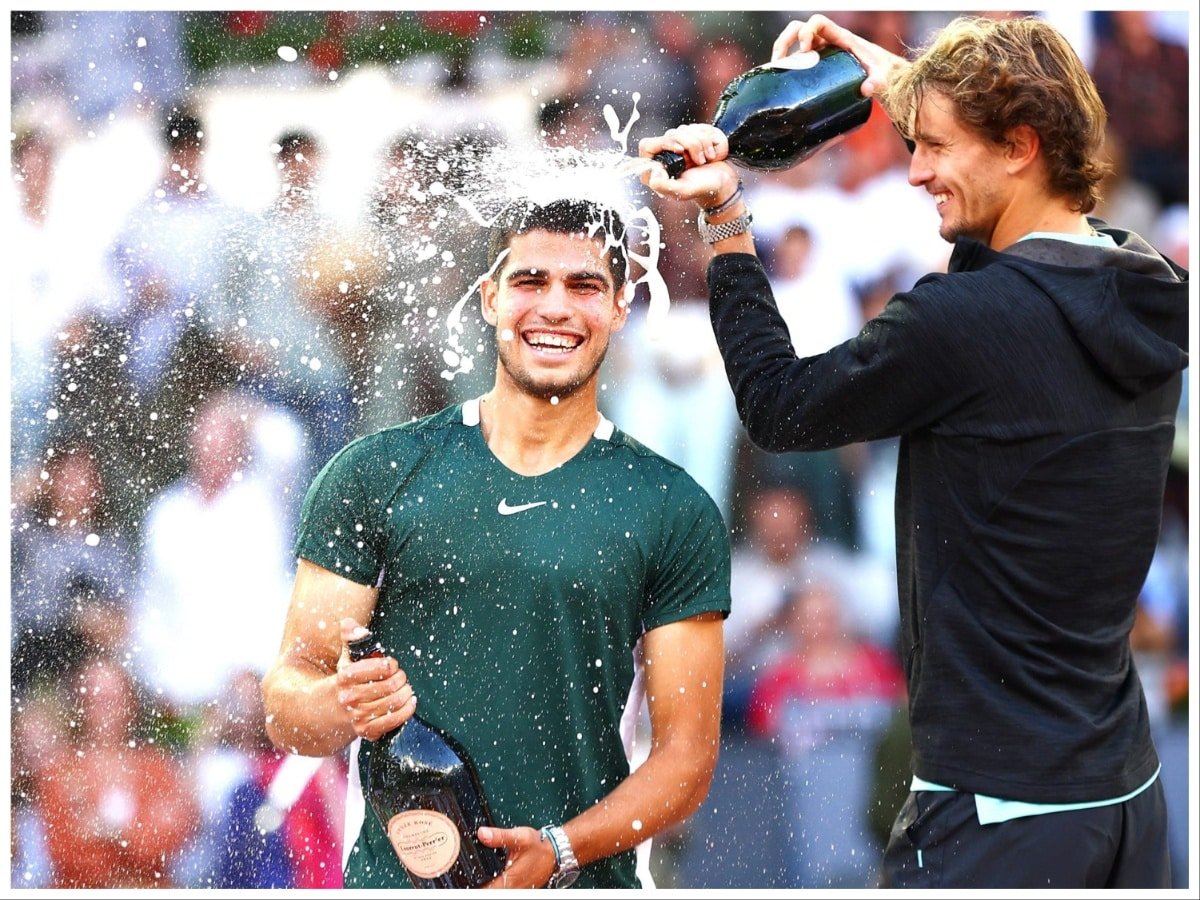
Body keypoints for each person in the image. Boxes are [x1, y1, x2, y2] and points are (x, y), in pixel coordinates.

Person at [639, 13, 1187, 890]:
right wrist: (916, 87)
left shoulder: (961, 322)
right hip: (1126, 797)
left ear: (1020, 145)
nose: (917, 168)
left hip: (995, 811)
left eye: (935, 145)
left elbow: (781, 408)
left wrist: (726, 216)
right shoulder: (1149, 284)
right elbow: (1011, 259)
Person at [261, 197, 731, 889]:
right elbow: (287, 701)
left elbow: (686, 760)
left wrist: (562, 849)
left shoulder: (669, 505)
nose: (555, 308)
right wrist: (340, 704)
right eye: (530, 282)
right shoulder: (377, 473)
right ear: (489, 299)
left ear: (620, 307)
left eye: (584, 286)